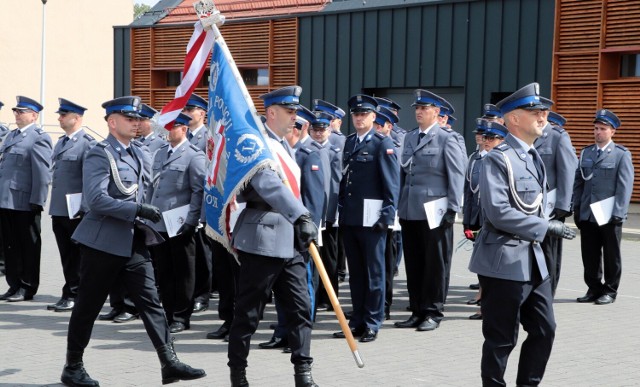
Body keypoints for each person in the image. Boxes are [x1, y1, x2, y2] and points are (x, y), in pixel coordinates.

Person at [61, 96, 205, 386]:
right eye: (130, 118)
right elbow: (97, 200)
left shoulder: (138, 152)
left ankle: (169, 361)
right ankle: (73, 366)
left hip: (133, 240)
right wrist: (137, 209)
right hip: (103, 241)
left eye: (138, 119)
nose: (137, 123)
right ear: (112, 122)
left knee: (151, 301)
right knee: (88, 305)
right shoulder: (100, 153)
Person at [468, 83, 576, 387]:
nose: (543, 117)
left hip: (533, 260)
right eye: (536, 112)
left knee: (544, 330)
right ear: (513, 119)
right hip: (503, 261)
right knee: (501, 340)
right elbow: (498, 211)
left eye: (544, 112)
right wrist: (546, 227)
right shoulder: (497, 159)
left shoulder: (532, 156)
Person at [227, 86, 319, 387]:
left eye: (296, 111)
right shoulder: (257, 144)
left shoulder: (285, 145)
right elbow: (269, 185)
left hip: (291, 240)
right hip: (262, 239)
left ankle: (303, 373)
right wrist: (302, 216)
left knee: (300, 309)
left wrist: (305, 220)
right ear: (272, 112)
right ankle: (238, 374)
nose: (296, 117)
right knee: (248, 314)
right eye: (290, 112)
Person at [394, 90, 466, 332]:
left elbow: (456, 174)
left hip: (436, 211)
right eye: (417, 108)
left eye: (424, 108)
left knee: (435, 265)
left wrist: (453, 208)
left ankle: (433, 311)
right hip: (410, 209)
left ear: (437, 112)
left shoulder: (448, 138)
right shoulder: (410, 137)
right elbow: (404, 175)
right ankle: (417, 310)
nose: (419, 112)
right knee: (414, 264)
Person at [333, 94, 399, 343]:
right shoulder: (350, 142)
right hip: (351, 217)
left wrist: (387, 215)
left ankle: (373, 321)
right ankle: (357, 320)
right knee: (356, 273)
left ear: (374, 117)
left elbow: (391, 184)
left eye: (364, 114)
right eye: (356, 114)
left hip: (373, 220)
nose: (359, 118)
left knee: (374, 273)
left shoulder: (383, 143)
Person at [147, 112, 206, 333]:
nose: (168, 131)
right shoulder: (161, 153)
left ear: (184, 129)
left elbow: (198, 191)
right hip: (160, 223)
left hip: (180, 224)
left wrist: (192, 221)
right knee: (164, 271)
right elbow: (153, 187)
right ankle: (168, 311)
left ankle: (181, 316)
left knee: (183, 272)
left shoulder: (194, 155)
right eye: (166, 127)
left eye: (173, 127)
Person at [573, 109, 634, 305]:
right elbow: (579, 183)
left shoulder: (621, 154)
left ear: (612, 131)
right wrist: (577, 208)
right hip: (588, 213)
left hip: (609, 214)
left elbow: (624, 187)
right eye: (596, 128)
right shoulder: (586, 152)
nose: (598, 132)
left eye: (603, 129)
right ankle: (593, 288)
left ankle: (610, 290)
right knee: (589, 254)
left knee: (611, 254)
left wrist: (619, 212)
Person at [0, 96, 52, 302]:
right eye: (16, 111)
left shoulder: (39, 137)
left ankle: (27, 286)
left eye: (21, 111)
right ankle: (14, 284)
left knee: (28, 246)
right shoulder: (11, 136)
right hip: (6, 201)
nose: (17, 115)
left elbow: (42, 173)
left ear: (34, 115)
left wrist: (37, 201)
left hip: (24, 202)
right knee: (10, 246)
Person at [47, 98, 96, 312]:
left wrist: (84, 208)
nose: (59, 118)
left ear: (76, 118)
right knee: (66, 254)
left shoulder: (87, 143)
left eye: (63, 115)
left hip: (76, 211)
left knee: (78, 256)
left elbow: (89, 180)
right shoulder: (62, 142)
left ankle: (76, 293)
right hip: (59, 208)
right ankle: (69, 291)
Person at [534, 105, 578, 296]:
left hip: (552, 207)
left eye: (539, 113)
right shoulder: (528, 135)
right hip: (532, 206)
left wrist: (563, 205)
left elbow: (567, 172)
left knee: (549, 252)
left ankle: (548, 293)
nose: (537, 117)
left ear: (545, 115)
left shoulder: (558, 137)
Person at [183, 93, 214, 313]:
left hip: (203, 204)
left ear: (202, 113)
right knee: (188, 255)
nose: (186, 114)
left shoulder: (209, 138)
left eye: (190, 110)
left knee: (203, 256)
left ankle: (203, 295)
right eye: (185, 110)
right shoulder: (183, 136)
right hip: (183, 205)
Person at [373, 105, 401, 320]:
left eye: (378, 125)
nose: (375, 128)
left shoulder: (393, 145)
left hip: (388, 214)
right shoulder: (368, 144)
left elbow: (394, 184)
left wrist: (390, 213)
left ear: (389, 126)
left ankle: (385, 306)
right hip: (367, 214)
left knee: (386, 263)